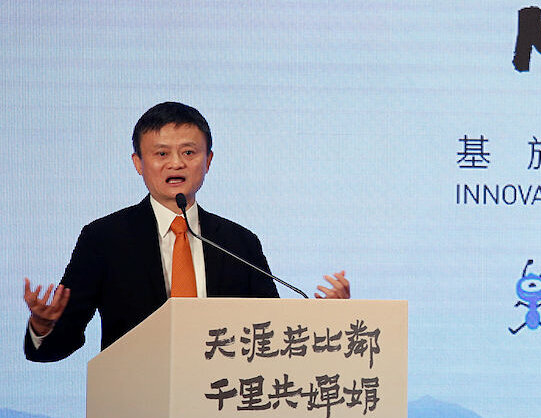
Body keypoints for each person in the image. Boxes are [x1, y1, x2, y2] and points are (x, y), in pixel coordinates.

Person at [23, 101, 350, 362]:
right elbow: (59, 343)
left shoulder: (239, 243)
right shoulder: (104, 239)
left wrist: (330, 322)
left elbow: (271, 338)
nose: (176, 163)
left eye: (189, 152)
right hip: (136, 409)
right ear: (138, 163)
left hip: (222, 408)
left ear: (208, 161)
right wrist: (43, 325)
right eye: (161, 153)